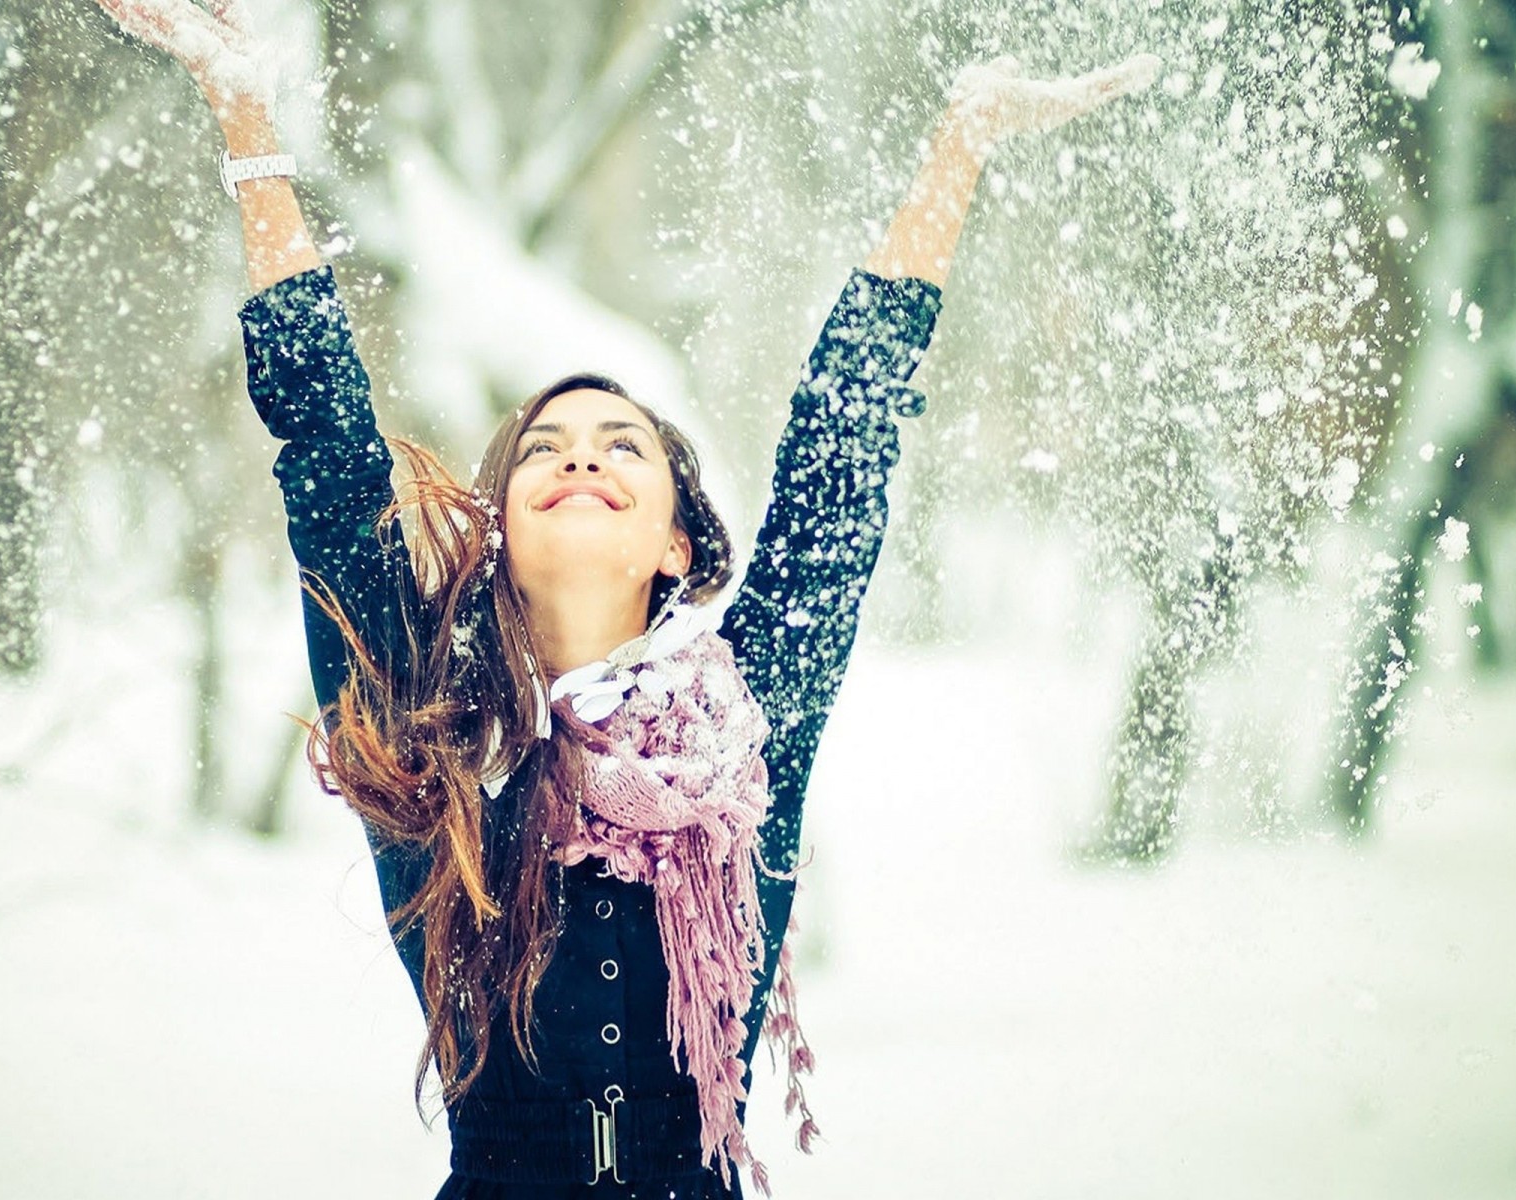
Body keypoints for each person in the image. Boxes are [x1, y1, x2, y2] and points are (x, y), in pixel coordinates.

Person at [93, 2, 1159, 1195]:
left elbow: (842, 445)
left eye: (623, 446)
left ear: (672, 539)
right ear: (499, 525)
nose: (583, 458)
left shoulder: (750, 720)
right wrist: (246, 110)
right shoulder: (429, 725)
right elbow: (330, 457)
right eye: (546, 448)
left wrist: (956, 148)